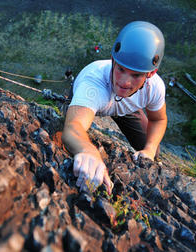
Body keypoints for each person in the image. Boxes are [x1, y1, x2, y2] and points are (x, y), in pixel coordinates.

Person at [61, 21, 167, 194]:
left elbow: (159, 119)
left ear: (151, 73)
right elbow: (73, 128)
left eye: (136, 75)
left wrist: (149, 149)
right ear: (112, 60)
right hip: (91, 100)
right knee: (63, 128)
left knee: (152, 153)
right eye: (121, 69)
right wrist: (88, 151)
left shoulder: (154, 87)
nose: (125, 81)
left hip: (127, 108)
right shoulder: (93, 84)